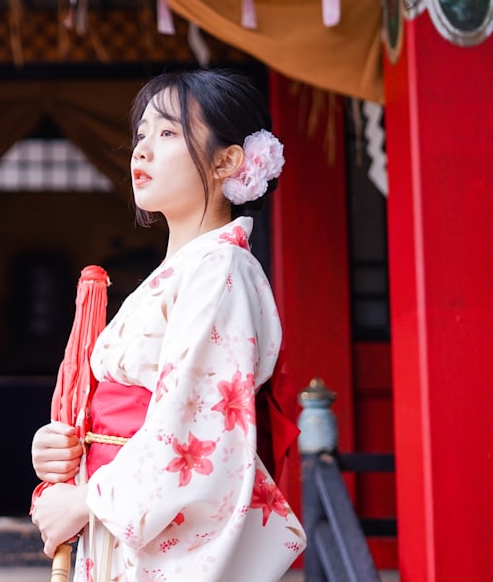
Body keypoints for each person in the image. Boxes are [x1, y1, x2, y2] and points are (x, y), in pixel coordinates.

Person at [30, 69, 306, 581]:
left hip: (138, 527)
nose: (141, 150)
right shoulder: (187, 271)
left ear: (227, 161)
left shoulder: (222, 271)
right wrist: (65, 449)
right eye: (140, 136)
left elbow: (196, 424)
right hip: (120, 516)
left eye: (167, 133)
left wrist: (89, 499)